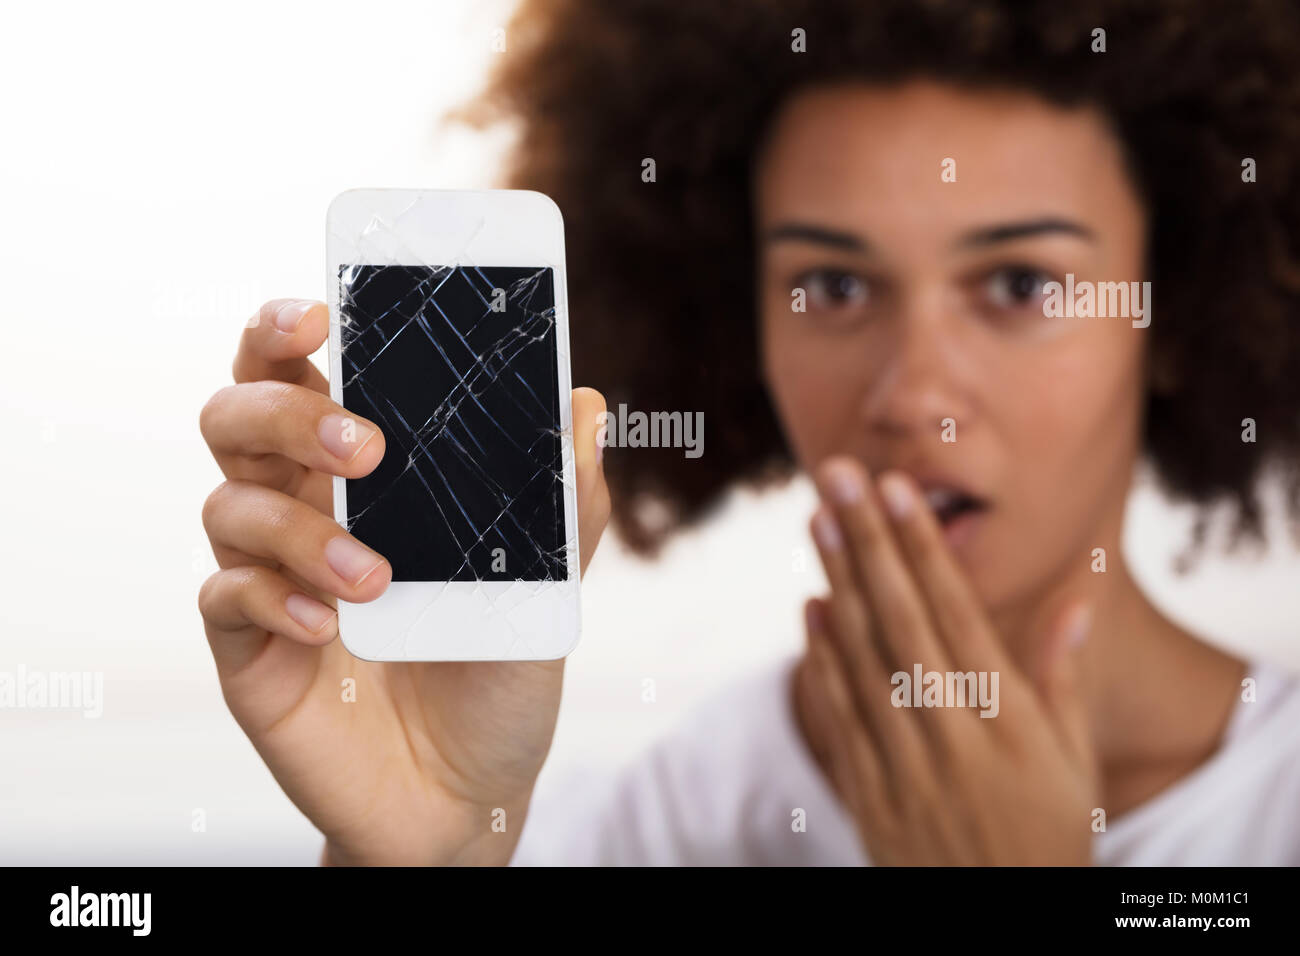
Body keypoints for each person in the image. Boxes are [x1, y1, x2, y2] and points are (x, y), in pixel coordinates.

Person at [197, 0, 1300, 865]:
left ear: (1171, 311)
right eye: (833, 285)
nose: (914, 394)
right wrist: (426, 854)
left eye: (1019, 283)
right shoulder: (647, 827)